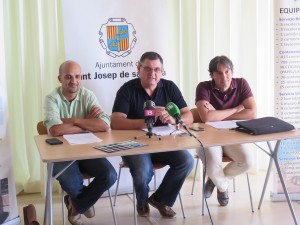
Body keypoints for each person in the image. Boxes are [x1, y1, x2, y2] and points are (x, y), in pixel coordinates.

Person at [111, 51, 194, 218]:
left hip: (163, 142)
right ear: (138, 69)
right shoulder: (127, 89)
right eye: (147, 69)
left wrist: (172, 119)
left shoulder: (169, 87)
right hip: (134, 144)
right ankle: (142, 202)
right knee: (143, 171)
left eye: (157, 70)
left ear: (162, 71)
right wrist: (147, 120)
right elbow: (115, 122)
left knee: (186, 161)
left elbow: (189, 116)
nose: (152, 73)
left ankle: (161, 199)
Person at [44, 60, 117, 225]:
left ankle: (77, 205)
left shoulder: (88, 95)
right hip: (60, 153)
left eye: (77, 76)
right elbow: (55, 130)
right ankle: (84, 202)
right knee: (72, 182)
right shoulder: (51, 98)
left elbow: (104, 125)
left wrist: (74, 121)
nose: (73, 81)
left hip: (87, 150)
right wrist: (87, 125)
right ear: (59, 78)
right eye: (68, 77)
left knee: (110, 175)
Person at [195, 55, 257, 206]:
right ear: (212, 75)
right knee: (213, 164)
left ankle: (215, 180)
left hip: (232, 134)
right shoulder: (203, 87)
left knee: (247, 161)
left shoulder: (241, 83)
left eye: (227, 71)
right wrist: (235, 109)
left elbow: (253, 113)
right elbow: (207, 118)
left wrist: (217, 114)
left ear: (232, 71)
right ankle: (222, 187)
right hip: (207, 136)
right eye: (219, 73)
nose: (224, 77)